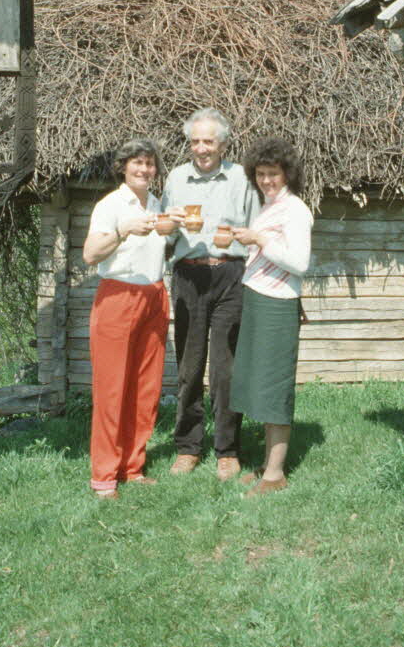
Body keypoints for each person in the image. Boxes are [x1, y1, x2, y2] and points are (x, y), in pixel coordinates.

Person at [162, 108, 259, 479]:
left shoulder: (241, 178)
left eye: (209, 141)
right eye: (196, 141)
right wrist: (169, 227)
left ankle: (227, 449)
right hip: (188, 276)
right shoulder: (176, 179)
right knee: (189, 366)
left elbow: (254, 230)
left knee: (225, 368)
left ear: (223, 143)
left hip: (230, 275)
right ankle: (187, 447)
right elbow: (168, 235)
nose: (202, 148)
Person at [82, 138, 169, 499]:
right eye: (137, 163)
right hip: (118, 296)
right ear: (123, 167)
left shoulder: (158, 203)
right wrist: (122, 231)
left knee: (145, 387)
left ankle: (133, 467)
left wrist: (172, 227)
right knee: (112, 388)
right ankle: (104, 476)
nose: (144, 170)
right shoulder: (111, 205)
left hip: (154, 295)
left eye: (149, 164)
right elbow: (90, 254)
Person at [230, 137, 313, 494]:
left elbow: (299, 263)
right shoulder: (269, 207)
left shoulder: (296, 210)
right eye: (261, 174)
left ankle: (275, 476)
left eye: (273, 174)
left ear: (287, 174)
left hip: (277, 304)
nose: (267, 180)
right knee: (260, 384)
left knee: (275, 387)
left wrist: (260, 240)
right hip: (258, 297)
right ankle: (266, 464)